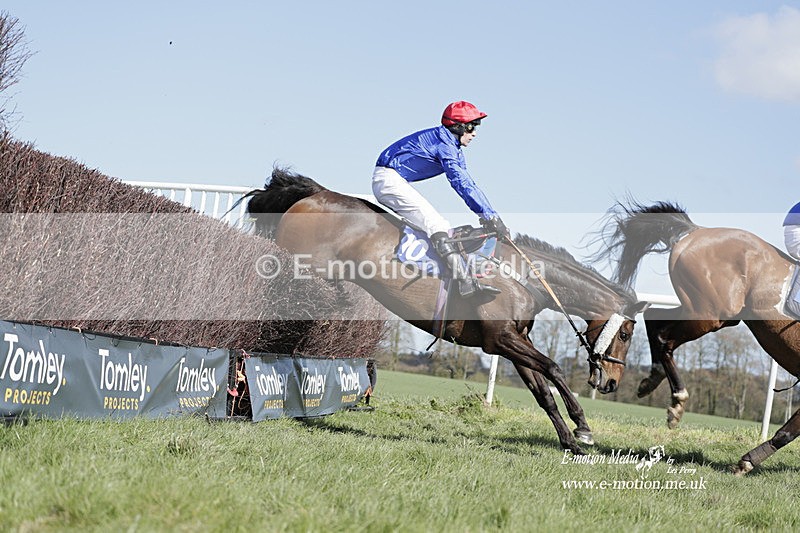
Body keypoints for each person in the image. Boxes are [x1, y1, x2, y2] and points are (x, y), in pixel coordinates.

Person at [372, 101, 510, 297]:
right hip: (389, 180)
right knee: (437, 225)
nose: (474, 133)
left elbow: (468, 182)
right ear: (458, 126)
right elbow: (462, 184)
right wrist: (490, 217)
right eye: (471, 127)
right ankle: (465, 283)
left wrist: (490, 218)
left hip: (392, 179)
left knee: (440, 226)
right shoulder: (445, 144)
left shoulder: (451, 145)